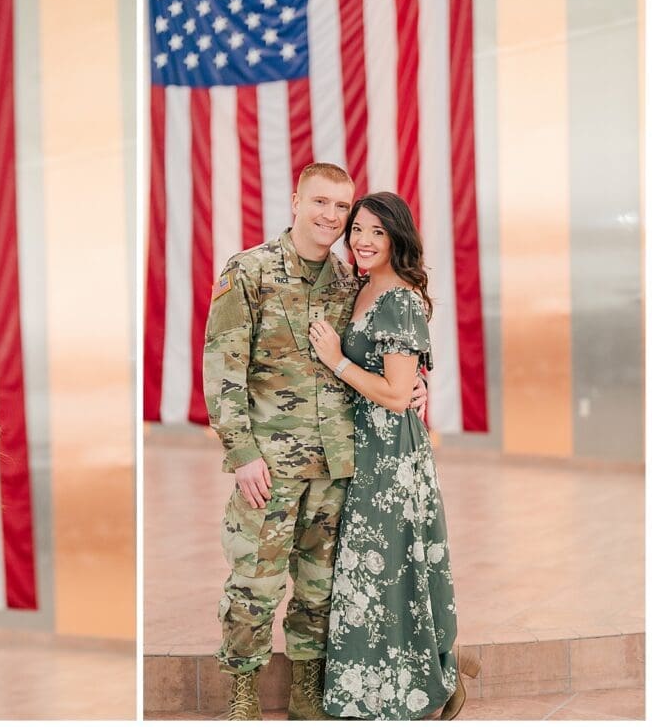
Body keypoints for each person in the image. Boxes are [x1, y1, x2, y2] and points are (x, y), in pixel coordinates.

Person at [203, 163, 426, 720]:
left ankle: (308, 687)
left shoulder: (352, 283)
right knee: (254, 585)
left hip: (340, 464)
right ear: (296, 200)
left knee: (321, 590)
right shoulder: (249, 272)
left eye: (341, 208)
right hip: (270, 467)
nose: (331, 216)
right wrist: (242, 455)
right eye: (320, 202)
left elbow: (387, 349)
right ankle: (243, 693)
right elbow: (223, 371)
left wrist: (419, 385)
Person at [308, 192, 478, 720]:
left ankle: (422, 681)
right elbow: (404, 379)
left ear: (396, 238)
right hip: (363, 447)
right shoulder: (360, 290)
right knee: (365, 570)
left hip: (390, 456)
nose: (362, 240)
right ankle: (385, 682)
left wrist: (337, 360)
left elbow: (397, 393)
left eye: (377, 232)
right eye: (357, 228)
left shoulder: (398, 299)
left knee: (387, 567)